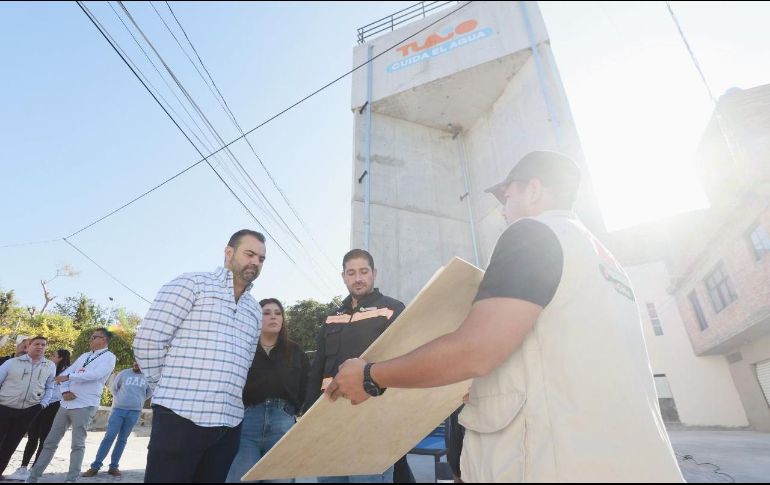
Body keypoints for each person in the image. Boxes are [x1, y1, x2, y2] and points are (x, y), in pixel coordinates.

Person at [328, 151, 684, 482]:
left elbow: (476, 350)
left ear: (533, 191)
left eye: (506, 196)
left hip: (555, 464)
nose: (502, 210)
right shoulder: (605, 260)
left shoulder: (534, 233)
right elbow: (555, 356)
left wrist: (371, 376)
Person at [134, 229, 266, 483]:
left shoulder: (254, 310)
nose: (255, 262)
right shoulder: (192, 284)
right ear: (229, 252)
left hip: (228, 425)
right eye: (249, 254)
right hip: (180, 418)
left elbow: (246, 363)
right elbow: (148, 341)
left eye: (261, 259)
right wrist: (166, 388)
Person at [306, 249, 407, 484]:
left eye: (363, 271)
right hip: (329, 419)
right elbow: (317, 367)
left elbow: (401, 362)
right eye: (351, 273)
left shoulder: (392, 309)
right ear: (343, 277)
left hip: (372, 419)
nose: (358, 278)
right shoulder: (331, 317)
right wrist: (309, 414)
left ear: (374, 273)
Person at [225, 298, 310, 484]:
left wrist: (292, 411)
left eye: (278, 313)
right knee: (241, 478)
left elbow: (306, 384)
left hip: (282, 424)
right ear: (256, 317)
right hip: (246, 424)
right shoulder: (243, 348)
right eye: (266, 313)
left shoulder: (295, 351)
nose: (273, 317)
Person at [27, 328, 117, 483]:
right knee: (50, 442)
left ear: (103, 339)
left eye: (94, 337)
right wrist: (65, 391)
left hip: (85, 404)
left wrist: (69, 377)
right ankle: (33, 477)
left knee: (77, 444)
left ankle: (71, 479)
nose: (90, 339)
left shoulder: (109, 357)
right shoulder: (85, 356)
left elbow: (95, 375)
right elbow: (65, 374)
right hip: (66, 403)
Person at [6, 349, 71, 481]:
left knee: (43, 438)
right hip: (39, 405)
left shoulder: (66, 373)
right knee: (32, 436)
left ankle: (34, 470)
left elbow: (62, 391)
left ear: (60, 358)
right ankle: (23, 467)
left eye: (53, 355)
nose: (51, 357)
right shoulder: (47, 368)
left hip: (53, 407)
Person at [82, 360, 151, 478]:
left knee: (122, 440)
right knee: (109, 437)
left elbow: (148, 393)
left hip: (134, 412)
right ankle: (95, 466)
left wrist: (137, 400)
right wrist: (120, 399)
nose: (136, 364)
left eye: (139, 363)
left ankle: (113, 467)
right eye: (135, 361)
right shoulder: (123, 373)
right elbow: (114, 388)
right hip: (118, 410)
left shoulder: (148, 377)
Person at [0, 336, 56, 481]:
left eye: (43, 344)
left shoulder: (50, 366)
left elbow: (50, 387)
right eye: (37, 344)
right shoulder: (12, 363)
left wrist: (43, 403)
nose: (40, 347)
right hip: (4, 407)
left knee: (11, 443)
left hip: (29, 410)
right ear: (29, 346)